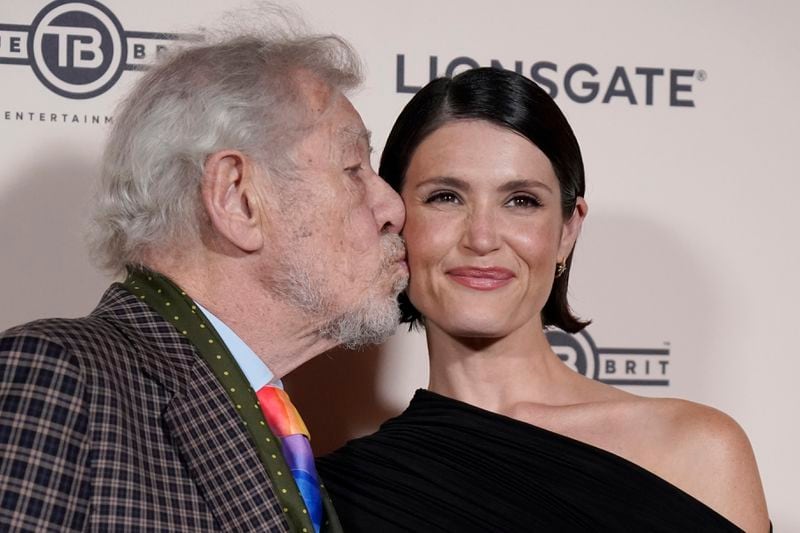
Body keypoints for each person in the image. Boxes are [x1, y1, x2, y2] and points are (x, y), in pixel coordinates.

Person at [317, 67, 770, 532]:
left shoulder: (695, 449)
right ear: (394, 218)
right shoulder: (336, 494)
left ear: (567, 231)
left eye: (521, 201)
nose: (482, 238)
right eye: (446, 197)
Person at [0, 30, 408, 532]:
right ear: (237, 198)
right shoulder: (56, 375)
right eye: (352, 168)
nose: (392, 207)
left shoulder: (269, 424)